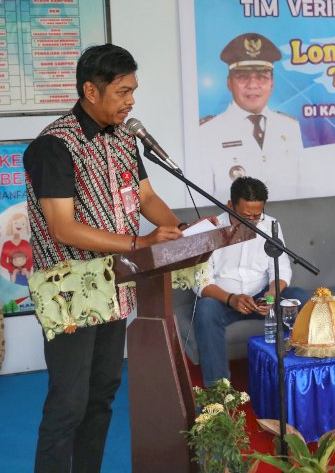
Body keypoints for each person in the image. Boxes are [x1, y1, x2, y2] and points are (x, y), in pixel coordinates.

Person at [24, 44, 186, 473]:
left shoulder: (124, 138)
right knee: (68, 402)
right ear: (90, 91)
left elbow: (146, 198)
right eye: (122, 92)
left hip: (114, 287)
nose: (130, 101)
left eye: (133, 91)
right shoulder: (54, 146)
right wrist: (139, 243)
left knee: (102, 395)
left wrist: (180, 233)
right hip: (71, 294)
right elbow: (62, 227)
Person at [193, 176, 308, 386]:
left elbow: (281, 268)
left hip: (261, 297)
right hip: (223, 299)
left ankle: (300, 377)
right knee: (205, 310)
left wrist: (272, 294)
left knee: (300, 298)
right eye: (246, 216)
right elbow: (201, 281)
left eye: (257, 215)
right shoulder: (210, 228)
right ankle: (218, 390)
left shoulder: (270, 225)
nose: (252, 221)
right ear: (230, 206)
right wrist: (231, 298)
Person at [198, 32, 304, 201]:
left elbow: (301, 192)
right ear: (229, 83)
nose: (253, 85)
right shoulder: (207, 132)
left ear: (272, 83)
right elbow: (202, 202)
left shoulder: (290, 127)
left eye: (262, 77)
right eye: (242, 76)